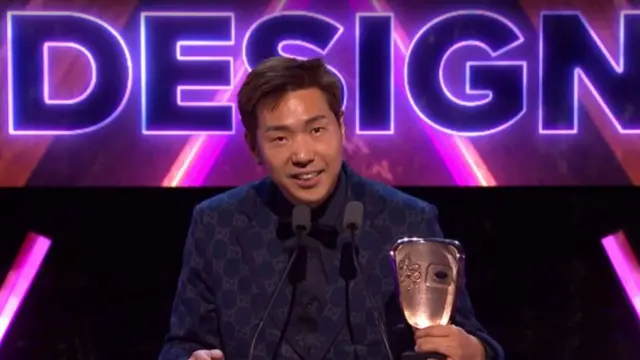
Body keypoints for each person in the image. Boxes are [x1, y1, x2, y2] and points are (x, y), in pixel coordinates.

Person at [159, 57, 504, 360]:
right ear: (253, 146)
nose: (303, 154)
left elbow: (471, 341)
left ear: (340, 126)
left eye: (317, 129)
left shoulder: (408, 219)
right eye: (280, 138)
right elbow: (181, 344)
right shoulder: (217, 224)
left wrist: (473, 352)